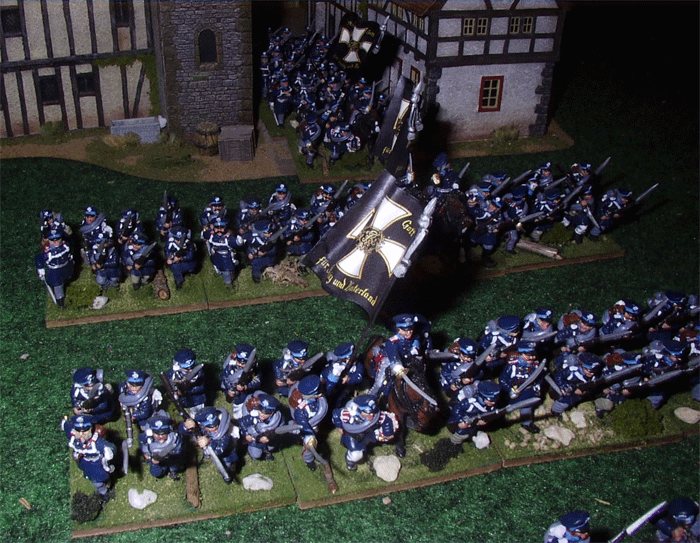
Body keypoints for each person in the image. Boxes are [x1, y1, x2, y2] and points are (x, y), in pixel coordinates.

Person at [331, 394, 399, 471]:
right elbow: (336, 414)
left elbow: (386, 420)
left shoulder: (377, 416)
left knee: (375, 437)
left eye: (373, 412)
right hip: (353, 436)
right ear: (360, 410)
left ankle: (367, 444)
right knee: (357, 455)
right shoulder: (349, 415)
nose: (372, 415)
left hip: (368, 433)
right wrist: (339, 426)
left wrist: (388, 433)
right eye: (368, 413)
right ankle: (350, 459)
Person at [62, 415, 117, 502]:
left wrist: (110, 452)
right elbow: (67, 427)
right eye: (78, 432)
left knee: (98, 481)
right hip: (83, 462)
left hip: (96, 464)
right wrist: (65, 422)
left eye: (85, 432)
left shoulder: (96, 443)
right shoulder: (74, 438)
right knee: (87, 474)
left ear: (90, 430)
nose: (81, 435)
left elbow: (111, 447)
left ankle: (103, 492)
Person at [498, 341, 544, 433]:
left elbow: (539, 377)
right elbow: (502, 379)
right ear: (521, 354)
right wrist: (510, 390)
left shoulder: (535, 365)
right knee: (504, 406)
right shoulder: (513, 365)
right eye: (528, 355)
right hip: (512, 391)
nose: (531, 358)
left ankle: (526, 423)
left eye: (533, 355)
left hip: (527, 390)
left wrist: (537, 387)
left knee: (527, 406)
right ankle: (499, 419)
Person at [182, 406, 239, 479]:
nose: (214, 428)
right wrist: (187, 426)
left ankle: (230, 472)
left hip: (226, 452)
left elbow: (220, 449)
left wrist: (209, 441)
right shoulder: (203, 428)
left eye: (216, 425)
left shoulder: (224, 433)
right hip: (211, 448)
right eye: (210, 427)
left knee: (227, 465)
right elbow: (184, 432)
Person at [289, 375, 329, 471]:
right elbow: (303, 423)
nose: (320, 394)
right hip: (305, 426)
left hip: (315, 422)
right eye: (318, 393)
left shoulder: (316, 400)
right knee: (309, 447)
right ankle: (308, 460)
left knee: (318, 432)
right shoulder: (302, 409)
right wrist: (309, 436)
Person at [447, 380, 501, 445]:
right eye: (490, 400)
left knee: (473, 431)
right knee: (461, 432)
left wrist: (485, 420)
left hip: (475, 422)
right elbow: (456, 409)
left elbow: (492, 413)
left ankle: (473, 436)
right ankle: (454, 442)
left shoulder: (489, 406)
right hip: (464, 419)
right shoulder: (469, 403)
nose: (493, 403)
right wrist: (462, 420)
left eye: (495, 400)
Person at [138, 412, 186, 480]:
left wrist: (171, 453)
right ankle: (162, 470)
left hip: (171, 457)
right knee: (156, 472)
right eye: (157, 434)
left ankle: (173, 472)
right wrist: (147, 455)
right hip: (155, 458)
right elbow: (142, 443)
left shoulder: (174, 438)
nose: (160, 437)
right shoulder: (147, 438)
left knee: (175, 465)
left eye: (163, 434)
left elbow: (179, 448)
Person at [220, 343, 261, 419]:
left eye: (244, 363)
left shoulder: (254, 370)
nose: (241, 365)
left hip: (244, 393)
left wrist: (246, 387)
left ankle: (241, 414)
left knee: (241, 404)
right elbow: (224, 377)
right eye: (239, 361)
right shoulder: (231, 366)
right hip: (232, 388)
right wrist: (230, 388)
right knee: (235, 401)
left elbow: (257, 381)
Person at [238, 391, 283, 461]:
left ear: (272, 413)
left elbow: (279, 431)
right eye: (260, 411)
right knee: (256, 454)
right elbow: (242, 422)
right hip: (254, 438)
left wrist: (269, 437)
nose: (262, 414)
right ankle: (252, 452)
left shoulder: (277, 420)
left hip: (268, 438)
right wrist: (246, 434)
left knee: (271, 447)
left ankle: (266, 451)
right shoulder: (253, 416)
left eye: (266, 413)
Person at [35, 227, 74, 307]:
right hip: (55, 271)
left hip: (65, 266)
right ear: (49, 241)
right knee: (57, 285)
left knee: (68, 277)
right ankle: (60, 301)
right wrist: (41, 270)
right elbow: (39, 259)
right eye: (53, 241)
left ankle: (66, 285)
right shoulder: (48, 252)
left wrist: (70, 257)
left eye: (58, 239)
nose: (56, 242)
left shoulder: (65, 245)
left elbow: (70, 250)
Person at [202, 217, 241, 289]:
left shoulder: (227, 238)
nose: (219, 230)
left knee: (227, 272)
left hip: (226, 257)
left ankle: (228, 283)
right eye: (217, 228)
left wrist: (238, 241)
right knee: (217, 266)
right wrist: (206, 229)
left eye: (222, 228)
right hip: (216, 255)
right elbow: (205, 235)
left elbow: (235, 242)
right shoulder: (212, 236)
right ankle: (219, 272)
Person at [166, 349, 206, 415]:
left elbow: (201, 388)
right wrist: (175, 390)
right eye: (186, 368)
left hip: (195, 399)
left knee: (198, 412)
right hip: (181, 400)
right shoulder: (173, 373)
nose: (190, 370)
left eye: (191, 367)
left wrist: (187, 389)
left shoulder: (198, 372)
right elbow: (168, 382)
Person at [246, 219, 280, 284]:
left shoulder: (272, 240)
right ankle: (256, 276)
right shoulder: (254, 239)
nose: (270, 234)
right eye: (268, 233)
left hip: (268, 257)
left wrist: (266, 253)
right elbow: (250, 247)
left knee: (271, 264)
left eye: (271, 232)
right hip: (257, 258)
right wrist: (250, 254)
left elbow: (274, 250)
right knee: (256, 267)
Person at [164, 225, 197, 290]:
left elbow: (190, 256)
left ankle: (188, 272)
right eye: (177, 239)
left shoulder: (188, 244)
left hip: (187, 262)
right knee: (176, 269)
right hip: (175, 263)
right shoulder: (170, 243)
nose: (179, 241)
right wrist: (170, 257)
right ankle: (179, 281)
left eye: (180, 239)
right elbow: (167, 251)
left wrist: (182, 258)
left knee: (192, 267)